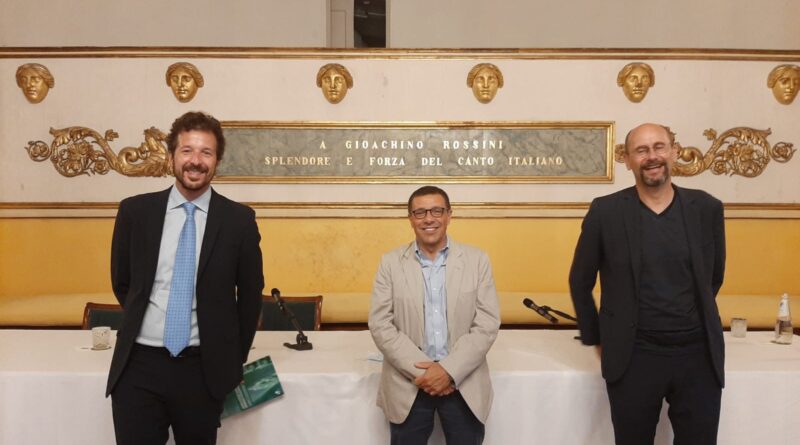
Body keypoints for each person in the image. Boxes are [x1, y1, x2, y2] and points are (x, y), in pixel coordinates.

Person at [106, 111, 264, 444]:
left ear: (217, 161)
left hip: (202, 371)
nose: (196, 161)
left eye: (206, 152)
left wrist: (231, 361)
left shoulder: (239, 221)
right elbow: (123, 282)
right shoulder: (135, 212)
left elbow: (250, 298)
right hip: (139, 367)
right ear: (171, 157)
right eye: (187, 150)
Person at [569, 123, 726, 444]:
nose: (651, 156)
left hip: (698, 355)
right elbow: (580, 280)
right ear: (627, 160)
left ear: (674, 152)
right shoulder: (605, 211)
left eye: (659, 147)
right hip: (634, 356)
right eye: (641, 150)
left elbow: (714, 276)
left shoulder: (707, 208)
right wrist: (596, 338)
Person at [369, 186, 501, 444]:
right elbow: (381, 324)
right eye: (420, 212)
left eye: (437, 211)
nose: (428, 219)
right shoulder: (390, 263)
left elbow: (487, 323)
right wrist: (428, 374)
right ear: (410, 218)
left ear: (449, 215)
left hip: (463, 381)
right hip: (409, 383)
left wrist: (448, 370)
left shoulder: (477, 261)